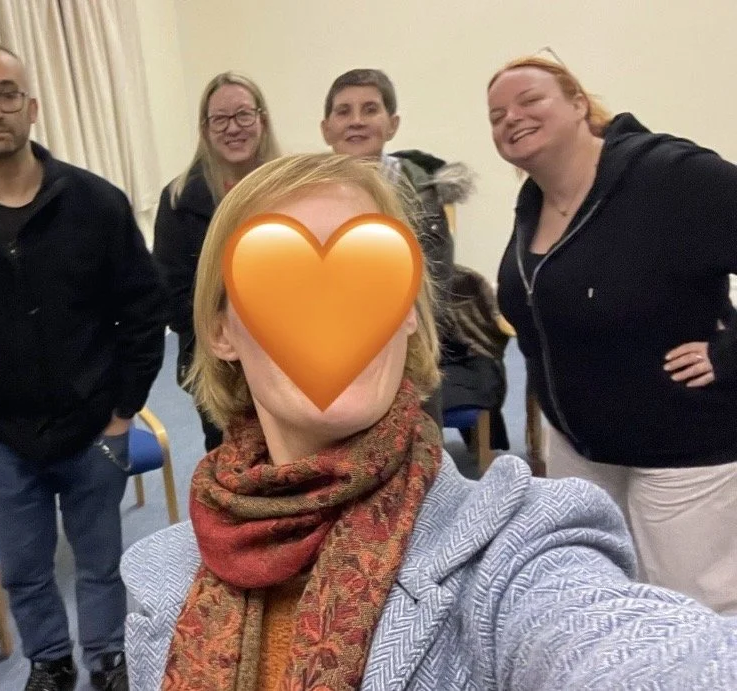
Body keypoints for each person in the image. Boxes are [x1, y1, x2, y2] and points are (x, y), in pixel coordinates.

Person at [119, 153, 737, 690]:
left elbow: (634, 650)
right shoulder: (159, 576)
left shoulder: (515, 547)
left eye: (368, 278)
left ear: (408, 315)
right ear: (221, 332)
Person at [0, 42, 165, 691]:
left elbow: (143, 309)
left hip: (93, 425)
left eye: (7, 93)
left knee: (100, 561)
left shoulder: (96, 203)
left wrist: (123, 410)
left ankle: (106, 657)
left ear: (32, 106)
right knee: (24, 569)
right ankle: (49, 661)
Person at [487, 56, 737, 614]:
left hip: (681, 451)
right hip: (583, 453)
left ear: (579, 103)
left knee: (692, 619)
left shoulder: (671, 175)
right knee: (605, 613)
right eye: (496, 115)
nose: (511, 118)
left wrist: (729, 355)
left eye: (530, 100)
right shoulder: (534, 204)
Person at [320, 68, 469, 428]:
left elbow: (434, 288)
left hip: (409, 356)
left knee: (417, 454)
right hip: (331, 360)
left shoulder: (423, 195)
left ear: (392, 125)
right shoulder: (308, 195)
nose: (356, 121)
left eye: (370, 109)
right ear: (326, 129)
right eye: (344, 111)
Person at [152, 72, 281, 452]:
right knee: (234, 464)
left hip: (291, 354)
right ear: (205, 129)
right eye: (220, 119)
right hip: (217, 364)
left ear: (262, 119)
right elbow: (173, 297)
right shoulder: (178, 199)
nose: (233, 128)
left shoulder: (292, 187)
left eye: (243, 115)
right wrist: (233, 336)